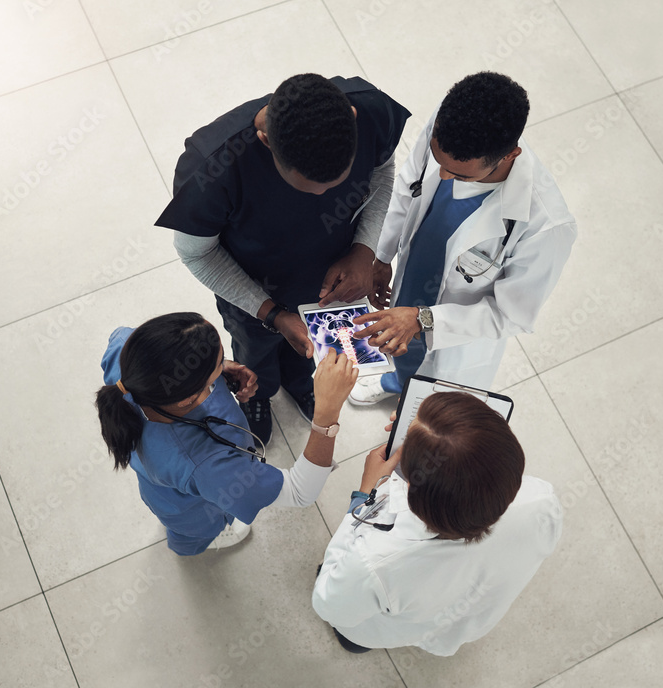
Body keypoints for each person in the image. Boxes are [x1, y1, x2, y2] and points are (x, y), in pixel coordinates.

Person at [156, 74, 410, 442]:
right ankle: (260, 397)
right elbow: (197, 255)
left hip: (327, 275)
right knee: (255, 352)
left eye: (337, 182)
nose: (326, 194)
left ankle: (298, 383)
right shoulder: (210, 171)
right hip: (254, 290)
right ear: (266, 143)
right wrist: (272, 313)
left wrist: (364, 249)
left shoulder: (371, 111)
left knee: (305, 351)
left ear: (354, 117)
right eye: (310, 187)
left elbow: (383, 169)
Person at [348, 72, 577, 404]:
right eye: (439, 161)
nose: (442, 175)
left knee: (429, 396)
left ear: (509, 156)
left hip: (455, 326)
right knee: (400, 345)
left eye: (458, 174)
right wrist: (381, 257)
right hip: (415, 275)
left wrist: (422, 318)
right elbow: (407, 187)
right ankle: (395, 381)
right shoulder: (448, 126)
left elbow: (509, 315)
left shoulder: (547, 226)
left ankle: (410, 391)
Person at [312, 392, 562, 655]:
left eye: (406, 439)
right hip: (460, 621)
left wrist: (365, 496)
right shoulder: (542, 501)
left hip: (373, 625)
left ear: (411, 486)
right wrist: (427, 432)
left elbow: (328, 604)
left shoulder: (373, 563)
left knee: (352, 636)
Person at [96, 312, 358, 556]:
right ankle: (194, 544)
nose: (224, 367)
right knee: (194, 532)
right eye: (216, 368)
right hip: (190, 511)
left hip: (162, 483)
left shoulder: (125, 351)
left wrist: (222, 369)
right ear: (189, 398)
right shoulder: (210, 467)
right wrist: (327, 412)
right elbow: (300, 493)